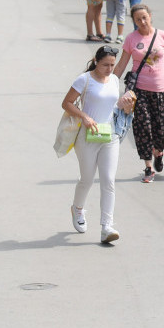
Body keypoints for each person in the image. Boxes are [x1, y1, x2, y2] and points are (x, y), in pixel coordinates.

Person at [116, 3, 164, 183]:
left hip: (160, 90)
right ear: (133, 21)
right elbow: (122, 65)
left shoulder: (162, 36)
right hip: (138, 91)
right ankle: (148, 167)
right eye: (137, 19)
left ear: (150, 16)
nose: (142, 21)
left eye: (144, 17)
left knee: (161, 130)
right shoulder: (131, 39)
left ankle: (159, 152)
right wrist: (106, 83)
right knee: (143, 128)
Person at [62, 45, 126, 244]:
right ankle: (78, 209)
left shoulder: (115, 80)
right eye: (105, 64)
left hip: (109, 135)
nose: (109, 69)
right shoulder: (85, 80)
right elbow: (67, 103)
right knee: (87, 179)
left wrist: (126, 105)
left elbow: (113, 106)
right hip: (87, 136)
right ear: (96, 62)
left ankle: (107, 226)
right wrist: (85, 117)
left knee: (108, 180)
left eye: (112, 65)